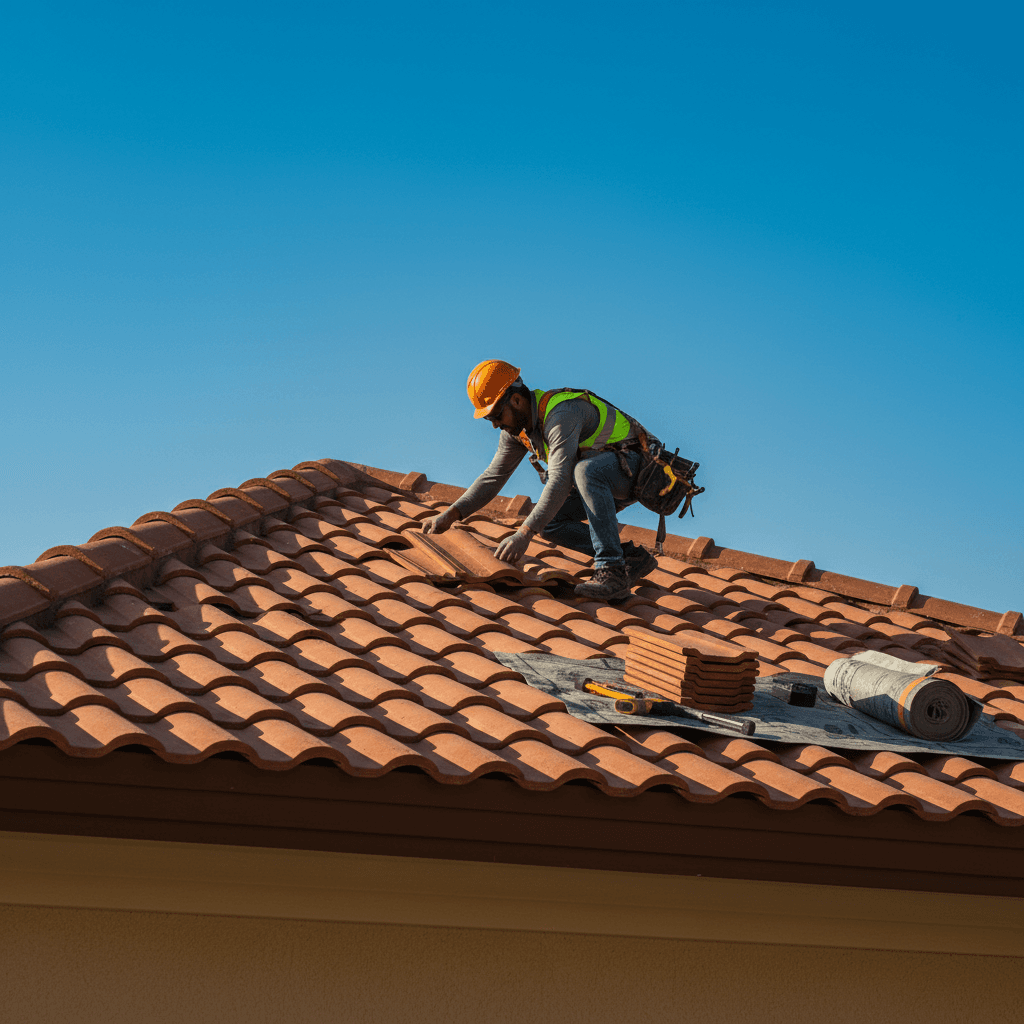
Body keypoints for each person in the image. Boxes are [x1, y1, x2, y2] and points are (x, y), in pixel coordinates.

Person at [423, 359, 659, 601]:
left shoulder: (561, 414)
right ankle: (631, 558)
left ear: (515, 400)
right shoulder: (517, 430)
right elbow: (493, 477)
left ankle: (612, 571)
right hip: (600, 480)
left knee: (583, 472)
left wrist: (524, 533)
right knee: (549, 522)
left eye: (495, 415)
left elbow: (559, 479)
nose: (494, 425)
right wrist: (451, 514)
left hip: (637, 470)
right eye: (488, 419)